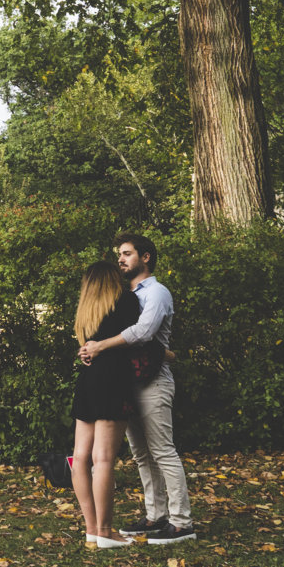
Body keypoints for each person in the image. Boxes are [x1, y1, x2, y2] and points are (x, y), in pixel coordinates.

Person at [81, 233, 195, 544]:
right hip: (126, 382)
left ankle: (182, 522)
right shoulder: (121, 294)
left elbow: (144, 333)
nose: (120, 259)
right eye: (119, 254)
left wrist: (101, 346)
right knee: (141, 454)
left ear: (145, 257)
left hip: (154, 380)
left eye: (127, 253)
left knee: (162, 450)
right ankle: (155, 515)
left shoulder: (157, 293)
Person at [71, 261, 141, 549]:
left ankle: (91, 529)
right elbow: (138, 337)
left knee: (79, 457)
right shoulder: (125, 301)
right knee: (103, 459)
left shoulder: (86, 311)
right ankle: (106, 531)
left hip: (88, 380)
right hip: (113, 379)